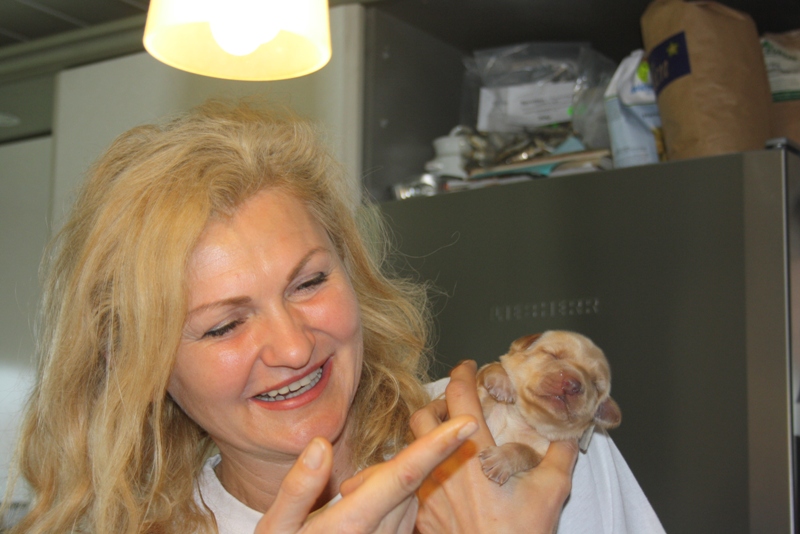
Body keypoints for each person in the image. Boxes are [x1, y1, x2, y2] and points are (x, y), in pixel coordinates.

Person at [2, 98, 664, 534]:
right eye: (225, 325)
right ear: (139, 364)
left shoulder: (530, 445)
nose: (293, 348)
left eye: (309, 282)